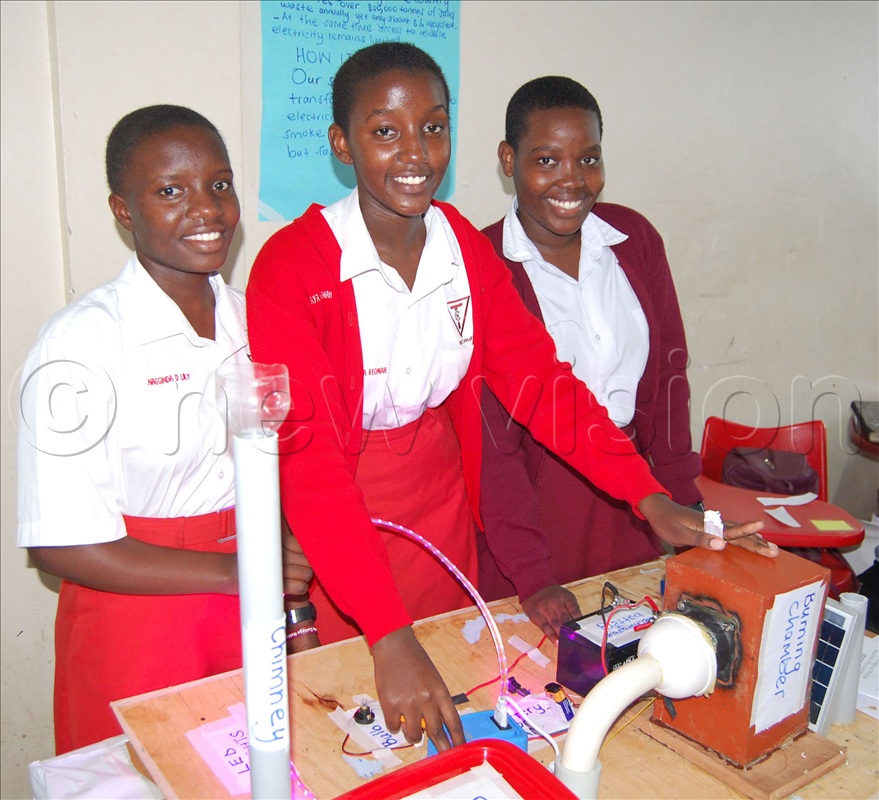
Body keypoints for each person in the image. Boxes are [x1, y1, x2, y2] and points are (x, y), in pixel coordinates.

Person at [246, 43, 777, 755]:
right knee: (352, 725)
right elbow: (310, 466)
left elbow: (543, 384)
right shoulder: (292, 266)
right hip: (342, 525)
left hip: (439, 514)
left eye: (434, 127)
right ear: (342, 144)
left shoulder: (461, 248)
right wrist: (388, 633)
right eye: (385, 131)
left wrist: (647, 496)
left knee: (453, 701)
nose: (416, 153)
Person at [16, 105, 316, 755]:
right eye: (170, 191)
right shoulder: (82, 342)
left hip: (253, 602)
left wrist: (289, 597)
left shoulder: (253, 322)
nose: (206, 208)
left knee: (265, 773)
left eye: (219, 184)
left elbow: (279, 468)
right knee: (148, 774)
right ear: (123, 210)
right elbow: (60, 546)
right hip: (139, 617)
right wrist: (235, 570)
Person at [477, 76, 706, 643]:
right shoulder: (482, 262)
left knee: (637, 654)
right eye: (546, 160)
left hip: (633, 501)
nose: (572, 180)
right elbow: (492, 444)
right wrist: (531, 575)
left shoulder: (634, 239)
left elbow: (669, 380)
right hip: (531, 516)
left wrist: (685, 505)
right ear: (507, 160)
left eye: (588, 158)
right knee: (539, 674)